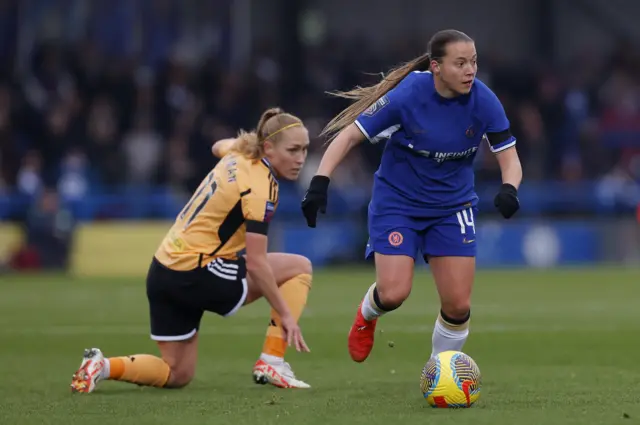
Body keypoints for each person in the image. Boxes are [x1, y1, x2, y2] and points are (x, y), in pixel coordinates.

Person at [301, 29, 522, 363]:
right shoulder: (407, 96)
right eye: (460, 63)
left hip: (453, 206)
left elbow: (510, 159)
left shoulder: (484, 100)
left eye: (473, 62)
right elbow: (349, 137)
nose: (470, 71)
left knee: (459, 305)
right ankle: (366, 316)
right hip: (398, 204)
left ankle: (439, 369)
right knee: (393, 293)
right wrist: (319, 182)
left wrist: (510, 189)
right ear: (436, 67)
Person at [71, 108, 314, 393]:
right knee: (299, 268)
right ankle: (272, 360)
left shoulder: (237, 154)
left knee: (177, 372)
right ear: (269, 148)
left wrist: (243, 143)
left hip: (163, 270)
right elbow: (258, 264)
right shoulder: (261, 186)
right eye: (293, 150)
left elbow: (217, 146)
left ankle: (102, 366)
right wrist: (286, 315)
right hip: (198, 271)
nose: (300, 159)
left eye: (305, 150)